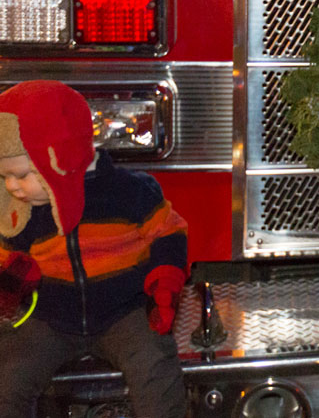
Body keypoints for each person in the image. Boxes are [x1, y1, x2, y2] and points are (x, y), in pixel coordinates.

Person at [0, 80, 189, 418]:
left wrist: (165, 279)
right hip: (51, 319)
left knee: (154, 365)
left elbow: (168, 231)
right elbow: (6, 255)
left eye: (22, 174)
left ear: (60, 157)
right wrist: (11, 279)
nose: (13, 187)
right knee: (8, 376)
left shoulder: (129, 192)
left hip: (123, 315)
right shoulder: (22, 211)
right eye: (4, 178)